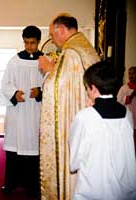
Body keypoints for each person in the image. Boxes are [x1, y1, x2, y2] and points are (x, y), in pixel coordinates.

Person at [38, 14, 100, 200]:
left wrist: (49, 70)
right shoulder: (85, 47)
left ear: (62, 30)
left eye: (52, 34)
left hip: (73, 120)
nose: (52, 38)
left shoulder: (71, 52)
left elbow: (56, 88)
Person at [69, 61, 136, 200]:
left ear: (93, 89)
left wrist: (88, 110)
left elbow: (74, 161)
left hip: (93, 190)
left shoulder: (84, 117)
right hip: (125, 191)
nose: (87, 92)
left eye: (86, 88)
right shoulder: (127, 114)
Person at [0, 25, 43, 197]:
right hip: (18, 113)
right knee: (14, 149)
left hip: (36, 111)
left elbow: (52, 84)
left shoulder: (45, 62)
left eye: (32, 43)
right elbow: (5, 84)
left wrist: (40, 92)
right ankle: (11, 183)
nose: (29, 46)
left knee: (34, 149)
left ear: (38, 42)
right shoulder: (14, 61)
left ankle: (33, 185)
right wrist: (14, 93)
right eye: (26, 43)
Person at [117, 66, 136, 153]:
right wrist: (131, 96)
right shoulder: (124, 88)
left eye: (133, 73)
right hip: (129, 119)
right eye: (130, 73)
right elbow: (118, 102)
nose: (131, 75)